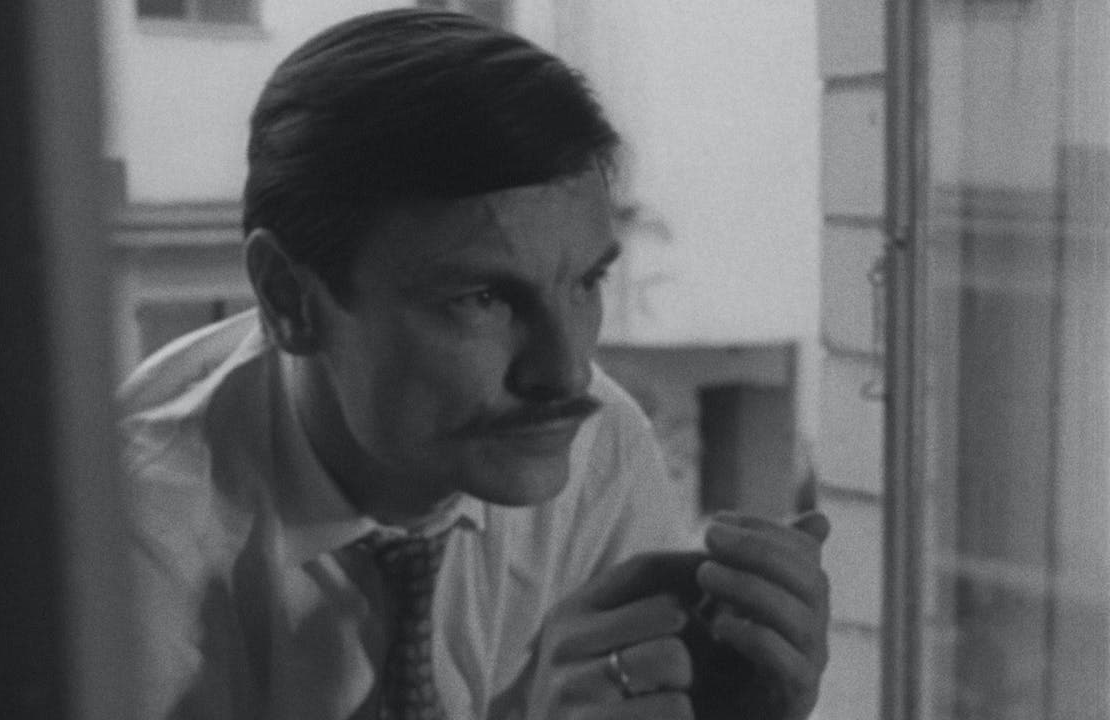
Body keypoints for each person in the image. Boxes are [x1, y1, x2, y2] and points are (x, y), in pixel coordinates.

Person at [119, 8, 830, 719]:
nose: (566, 375)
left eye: (586, 282)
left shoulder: (598, 450)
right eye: (483, 298)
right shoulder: (128, 550)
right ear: (289, 300)